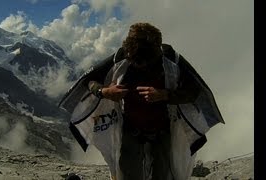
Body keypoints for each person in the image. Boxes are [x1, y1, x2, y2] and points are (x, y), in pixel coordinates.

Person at [59, 22, 224, 180]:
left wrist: (165, 95)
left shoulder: (171, 61)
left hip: (163, 131)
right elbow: (90, 81)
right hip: (131, 131)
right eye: (134, 60)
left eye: (144, 63)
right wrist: (105, 91)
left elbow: (194, 91)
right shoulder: (120, 58)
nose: (139, 65)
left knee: (163, 176)